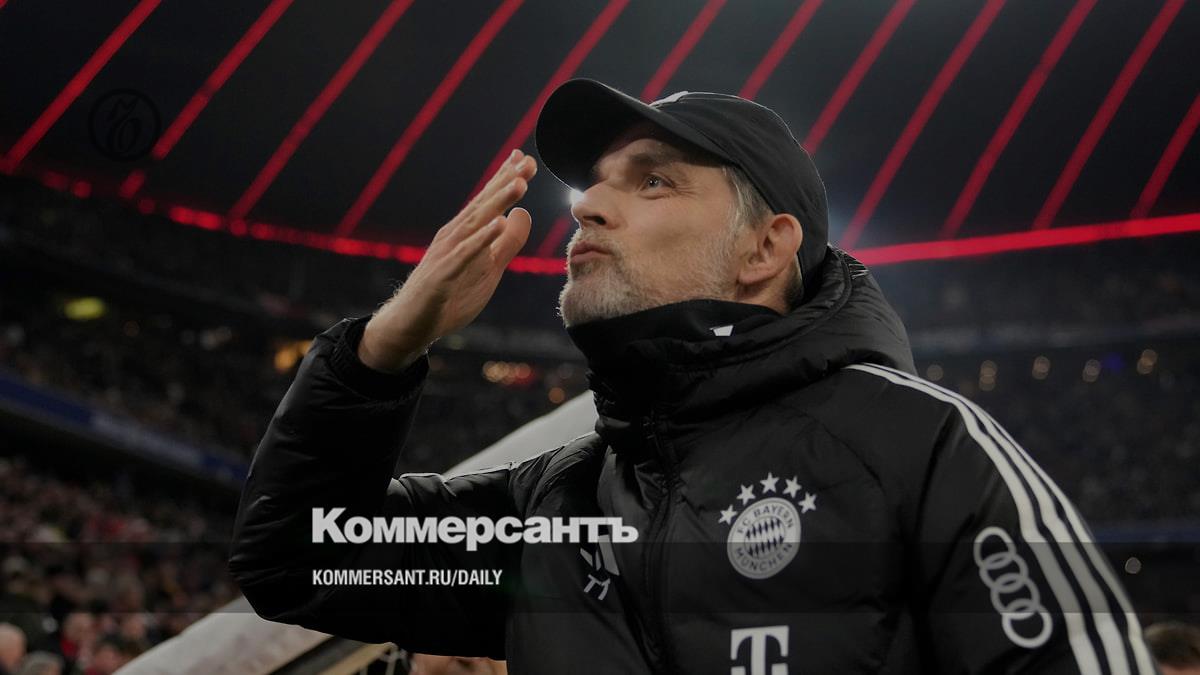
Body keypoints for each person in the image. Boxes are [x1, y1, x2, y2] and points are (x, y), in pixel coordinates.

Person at [229, 79, 1154, 673]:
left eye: (653, 181)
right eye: (595, 183)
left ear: (764, 248)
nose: (587, 205)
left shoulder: (923, 447)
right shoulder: (555, 506)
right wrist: (381, 350)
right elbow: (298, 559)